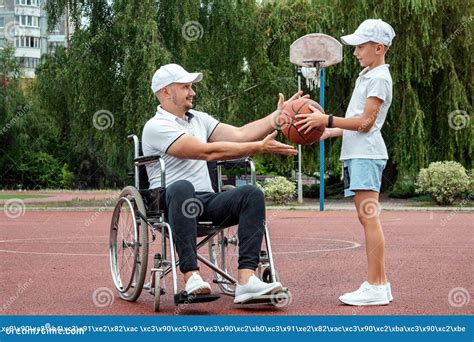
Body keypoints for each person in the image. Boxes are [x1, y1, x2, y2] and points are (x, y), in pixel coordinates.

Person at [142, 63, 299, 304]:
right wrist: (257, 148)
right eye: (185, 87)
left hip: (205, 199)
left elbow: (239, 134)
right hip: (169, 199)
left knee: (251, 194)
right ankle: (191, 276)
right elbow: (205, 152)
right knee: (183, 186)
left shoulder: (199, 120)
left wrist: (276, 118)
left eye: (192, 87)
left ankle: (246, 281)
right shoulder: (156, 126)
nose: (192, 92)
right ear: (165, 92)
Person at [295, 19, 396, 306]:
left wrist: (325, 118)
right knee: (367, 219)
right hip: (358, 153)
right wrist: (329, 131)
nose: (355, 52)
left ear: (379, 48)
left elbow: (366, 123)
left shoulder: (378, 78)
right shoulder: (367, 75)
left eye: (360, 46)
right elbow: (356, 121)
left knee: (369, 218)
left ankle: (376, 285)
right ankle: (381, 284)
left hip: (366, 153)